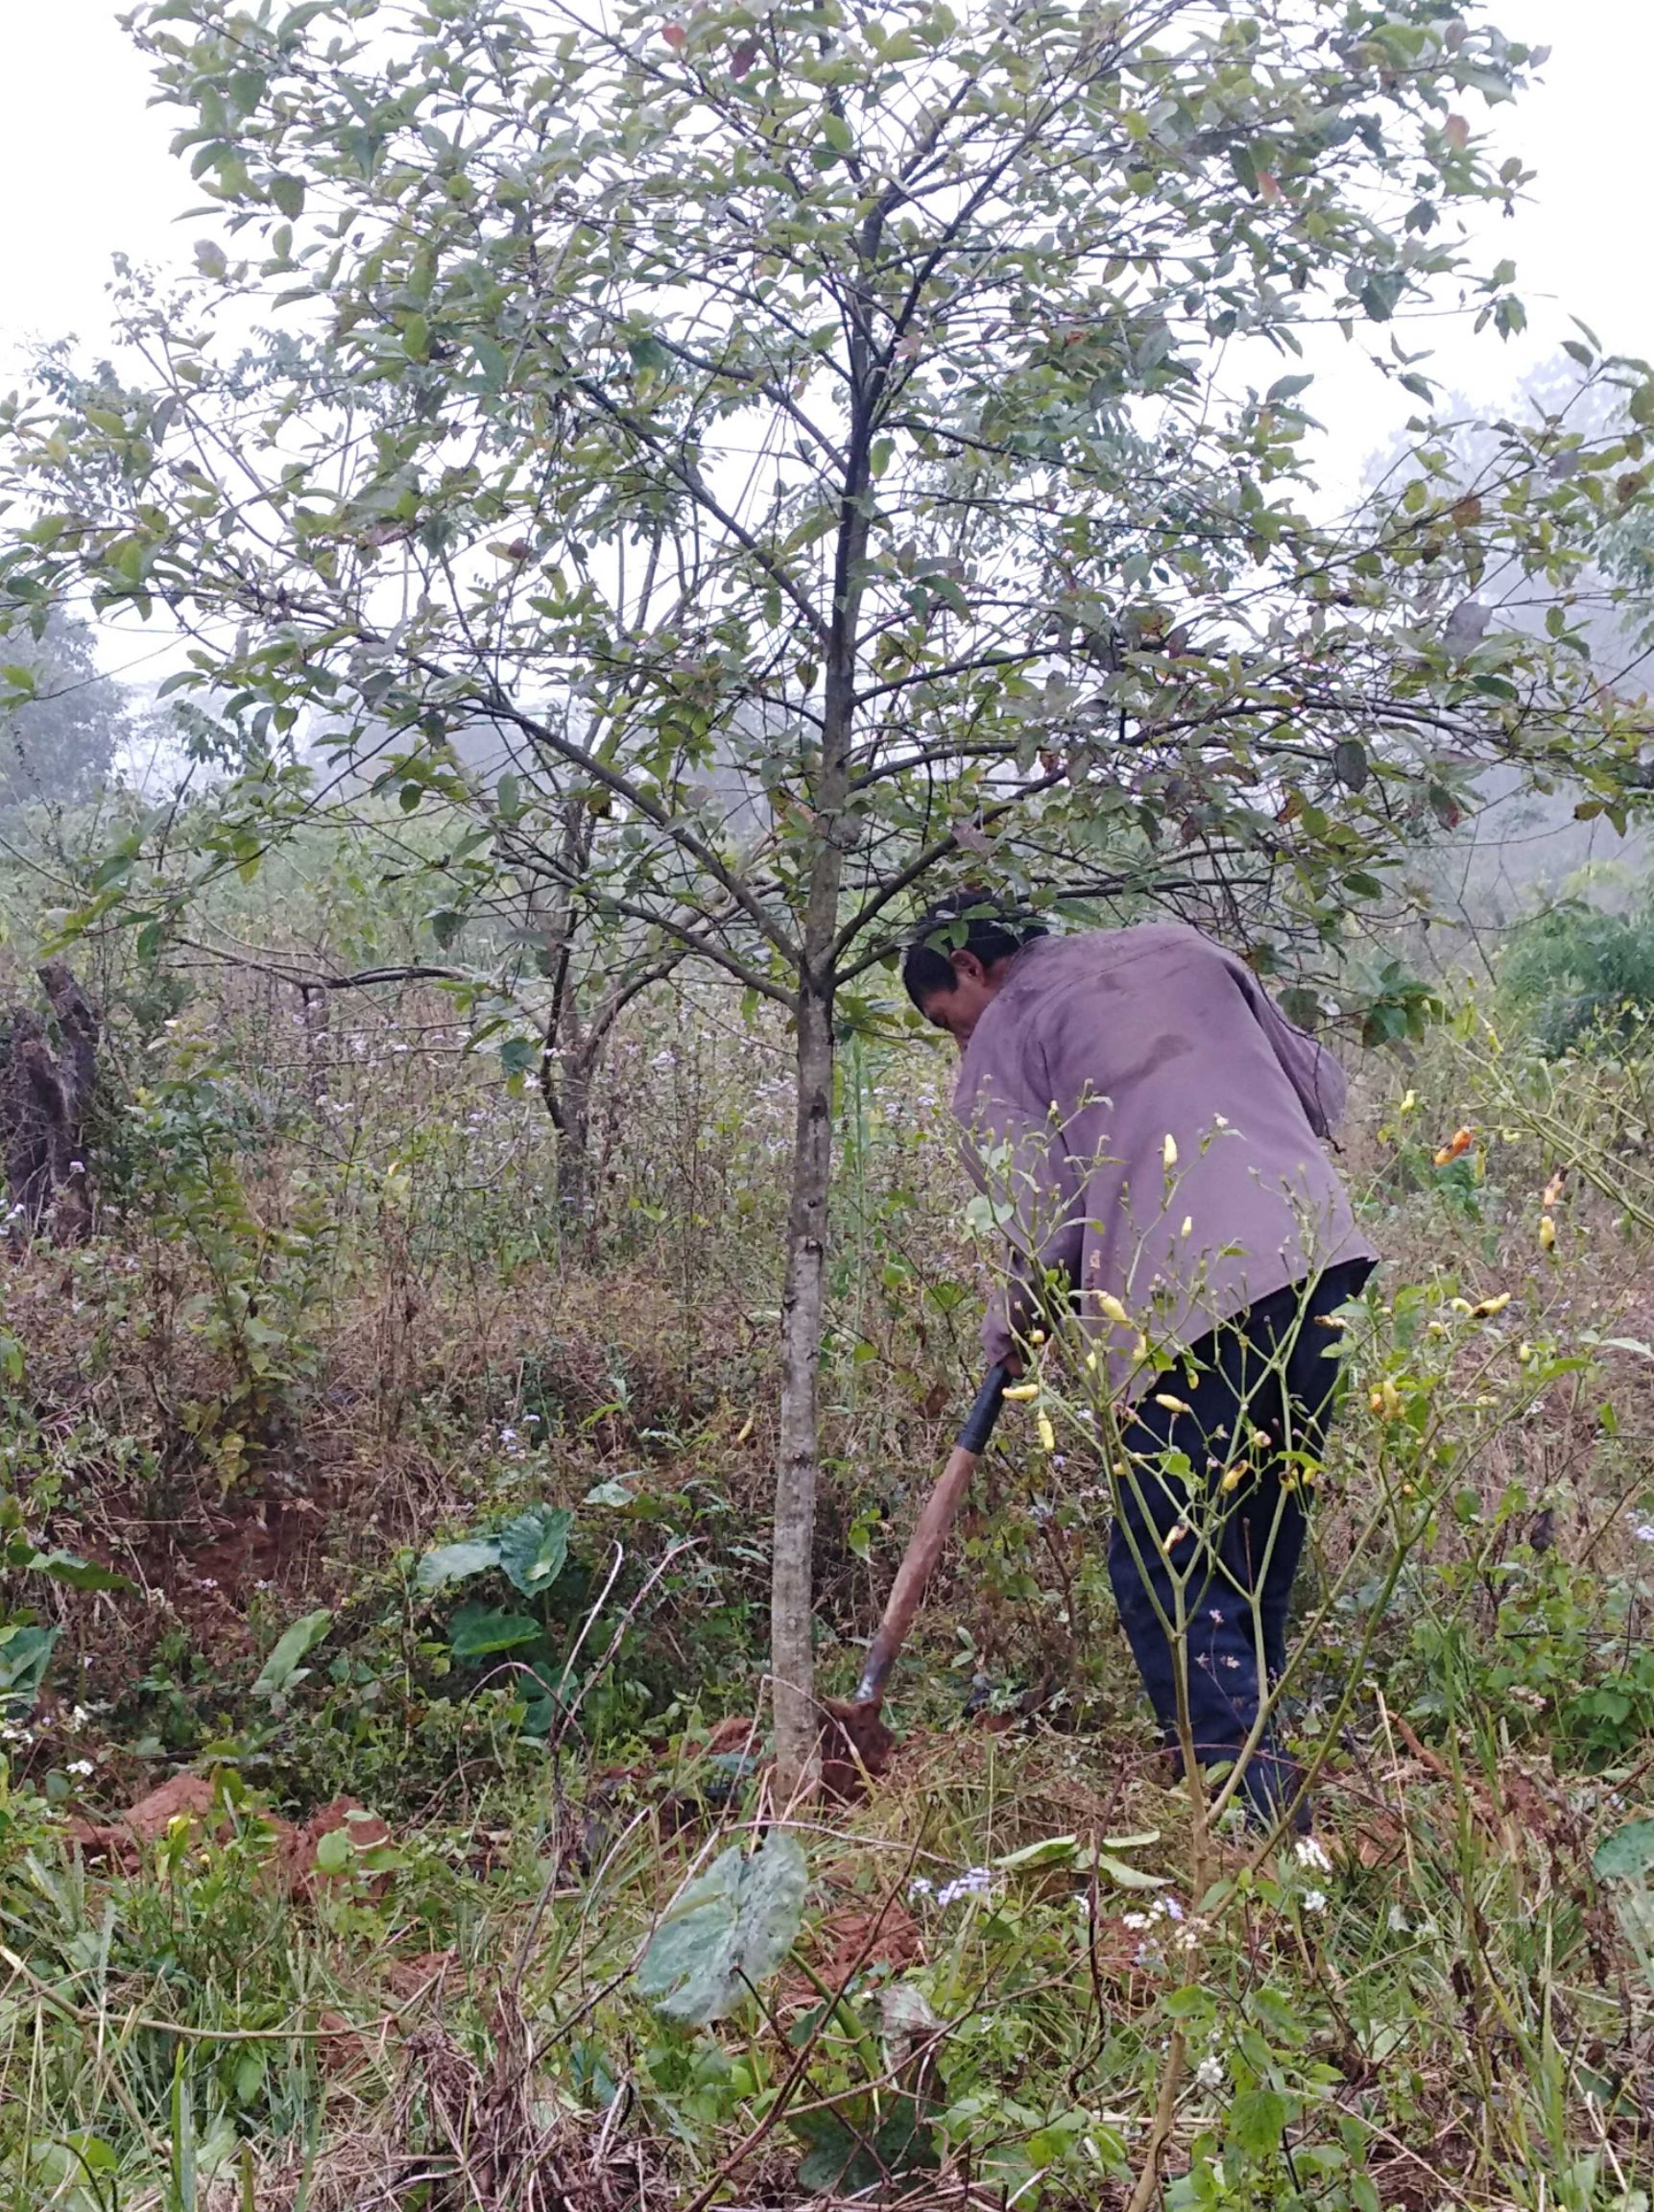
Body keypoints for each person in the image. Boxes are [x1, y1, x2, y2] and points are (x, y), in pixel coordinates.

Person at [902, 894, 1376, 1827]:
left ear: (967, 968)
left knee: (1159, 1564)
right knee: (1251, 1549)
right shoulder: (1181, 943)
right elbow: (1321, 1090)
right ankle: (1266, 1783)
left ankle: (1253, 1820)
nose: (958, 1043)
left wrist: (1013, 1328)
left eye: (943, 1023)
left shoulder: (1005, 1033)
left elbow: (1042, 1226)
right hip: (1321, 1263)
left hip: (1194, 1303)